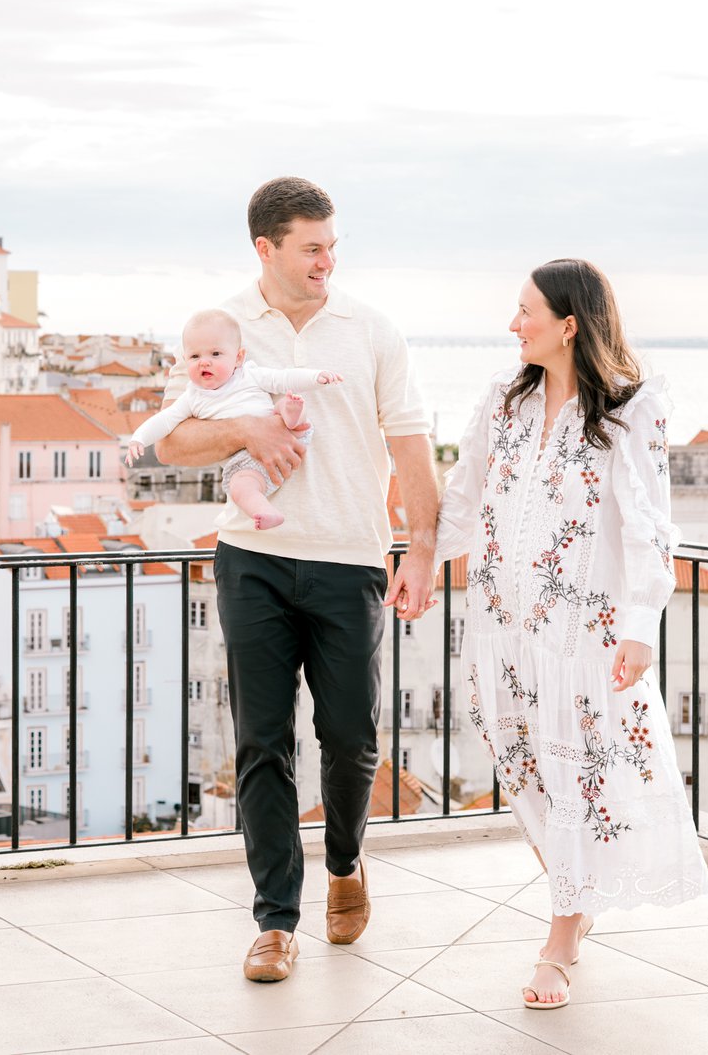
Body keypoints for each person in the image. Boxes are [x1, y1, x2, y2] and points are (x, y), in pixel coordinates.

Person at [155, 177, 437, 983]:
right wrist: (245, 425)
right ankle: (275, 920)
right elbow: (172, 444)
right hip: (253, 559)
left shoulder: (371, 329)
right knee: (262, 741)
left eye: (331, 246)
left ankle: (345, 862)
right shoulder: (221, 330)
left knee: (351, 737)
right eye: (312, 247)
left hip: (351, 559)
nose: (327, 260)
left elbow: (411, 444)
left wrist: (421, 549)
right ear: (266, 248)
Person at [434, 258, 708, 1011]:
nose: (513, 324)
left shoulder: (630, 409)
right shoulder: (506, 400)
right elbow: (464, 494)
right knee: (523, 770)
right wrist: (421, 564)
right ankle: (577, 895)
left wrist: (640, 627)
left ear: (568, 324)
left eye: (525, 311)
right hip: (502, 627)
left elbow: (650, 524)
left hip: (581, 636)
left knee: (575, 778)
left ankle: (560, 938)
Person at [124, 308, 342, 530]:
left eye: (215, 354)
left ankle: (292, 412)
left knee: (286, 403)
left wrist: (316, 377)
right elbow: (165, 420)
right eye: (195, 357)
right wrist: (139, 438)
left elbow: (284, 378)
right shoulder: (191, 397)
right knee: (240, 487)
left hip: (289, 435)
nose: (204, 362)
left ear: (238, 358)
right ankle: (265, 512)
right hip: (246, 463)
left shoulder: (250, 375)